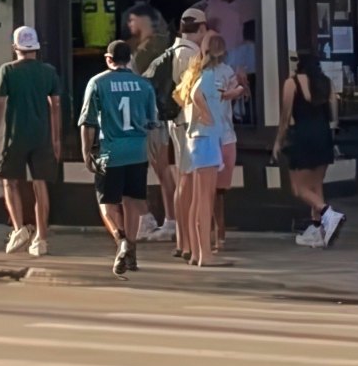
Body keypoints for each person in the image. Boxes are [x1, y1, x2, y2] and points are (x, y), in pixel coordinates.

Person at [82, 37, 164, 276]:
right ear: (129, 60)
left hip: (111, 151)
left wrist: (86, 152)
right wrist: (154, 150)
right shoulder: (144, 85)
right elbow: (153, 123)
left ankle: (122, 241)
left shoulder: (97, 83)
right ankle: (132, 253)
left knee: (106, 204)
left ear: (108, 59)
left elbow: (87, 122)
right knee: (131, 202)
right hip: (137, 151)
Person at [0, 28, 64, 259]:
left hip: (15, 135)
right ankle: (41, 238)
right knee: (40, 184)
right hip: (41, 135)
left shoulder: (8, 70)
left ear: (15, 48)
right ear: (36, 48)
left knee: (9, 180)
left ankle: (18, 228)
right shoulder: (48, 72)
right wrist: (56, 138)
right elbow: (55, 106)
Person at [173, 23, 240, 269]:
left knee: (196, 200)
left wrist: (193, 114)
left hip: (193, 139)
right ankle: (206, 255)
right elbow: (197, 96)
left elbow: (179, 95)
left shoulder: (193, 73)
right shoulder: (210, 75)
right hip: (207, 137)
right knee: (205, 199)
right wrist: (206, 115)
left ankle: (195, 251)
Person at [277, 58, 341, 247]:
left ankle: (328, 213)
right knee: (316, 185)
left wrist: (278, 142)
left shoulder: (292, 83)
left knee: (299, 188)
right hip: (323, 135)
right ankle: (319, 232)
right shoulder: (326, 82)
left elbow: (285, 117)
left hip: (303, 136)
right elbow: (334, 113)